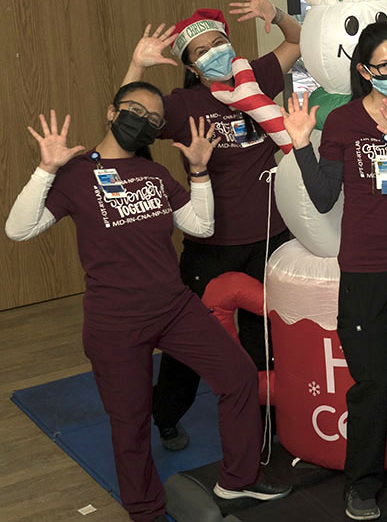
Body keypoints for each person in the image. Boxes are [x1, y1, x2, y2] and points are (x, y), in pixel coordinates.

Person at [5, 84, 290, 522]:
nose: (143, 120)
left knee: (237, 376)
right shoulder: (77, 174)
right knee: (131, 422)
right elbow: (18, 230)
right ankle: (145, 510)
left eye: (154, 118)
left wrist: (199, 172)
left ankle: (237, 481)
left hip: (174, 307)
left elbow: (201, 224)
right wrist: (45, 169)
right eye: (134, 110)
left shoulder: (153, 174)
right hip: (115, 320)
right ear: (111, 112)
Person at [285, 21, 387, 521]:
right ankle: (361, 483)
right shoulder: (344, 124)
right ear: (363, 70)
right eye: (385, 65)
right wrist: (299, 145)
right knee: (373, 382)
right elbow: (322, 197)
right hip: (365, 272)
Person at [124, 0, 301, 451]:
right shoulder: (183, 105)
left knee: (262, 336)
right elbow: (127, 121)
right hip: (212, 245)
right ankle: (166, 414)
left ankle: (268, 422)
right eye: (201, 52)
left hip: (270, 235)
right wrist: (137, 66)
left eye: (217, 42)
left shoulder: (256, 77)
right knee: (192, 340)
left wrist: (276, 15)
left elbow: (298, 40)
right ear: (193, 67)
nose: (213, 53)